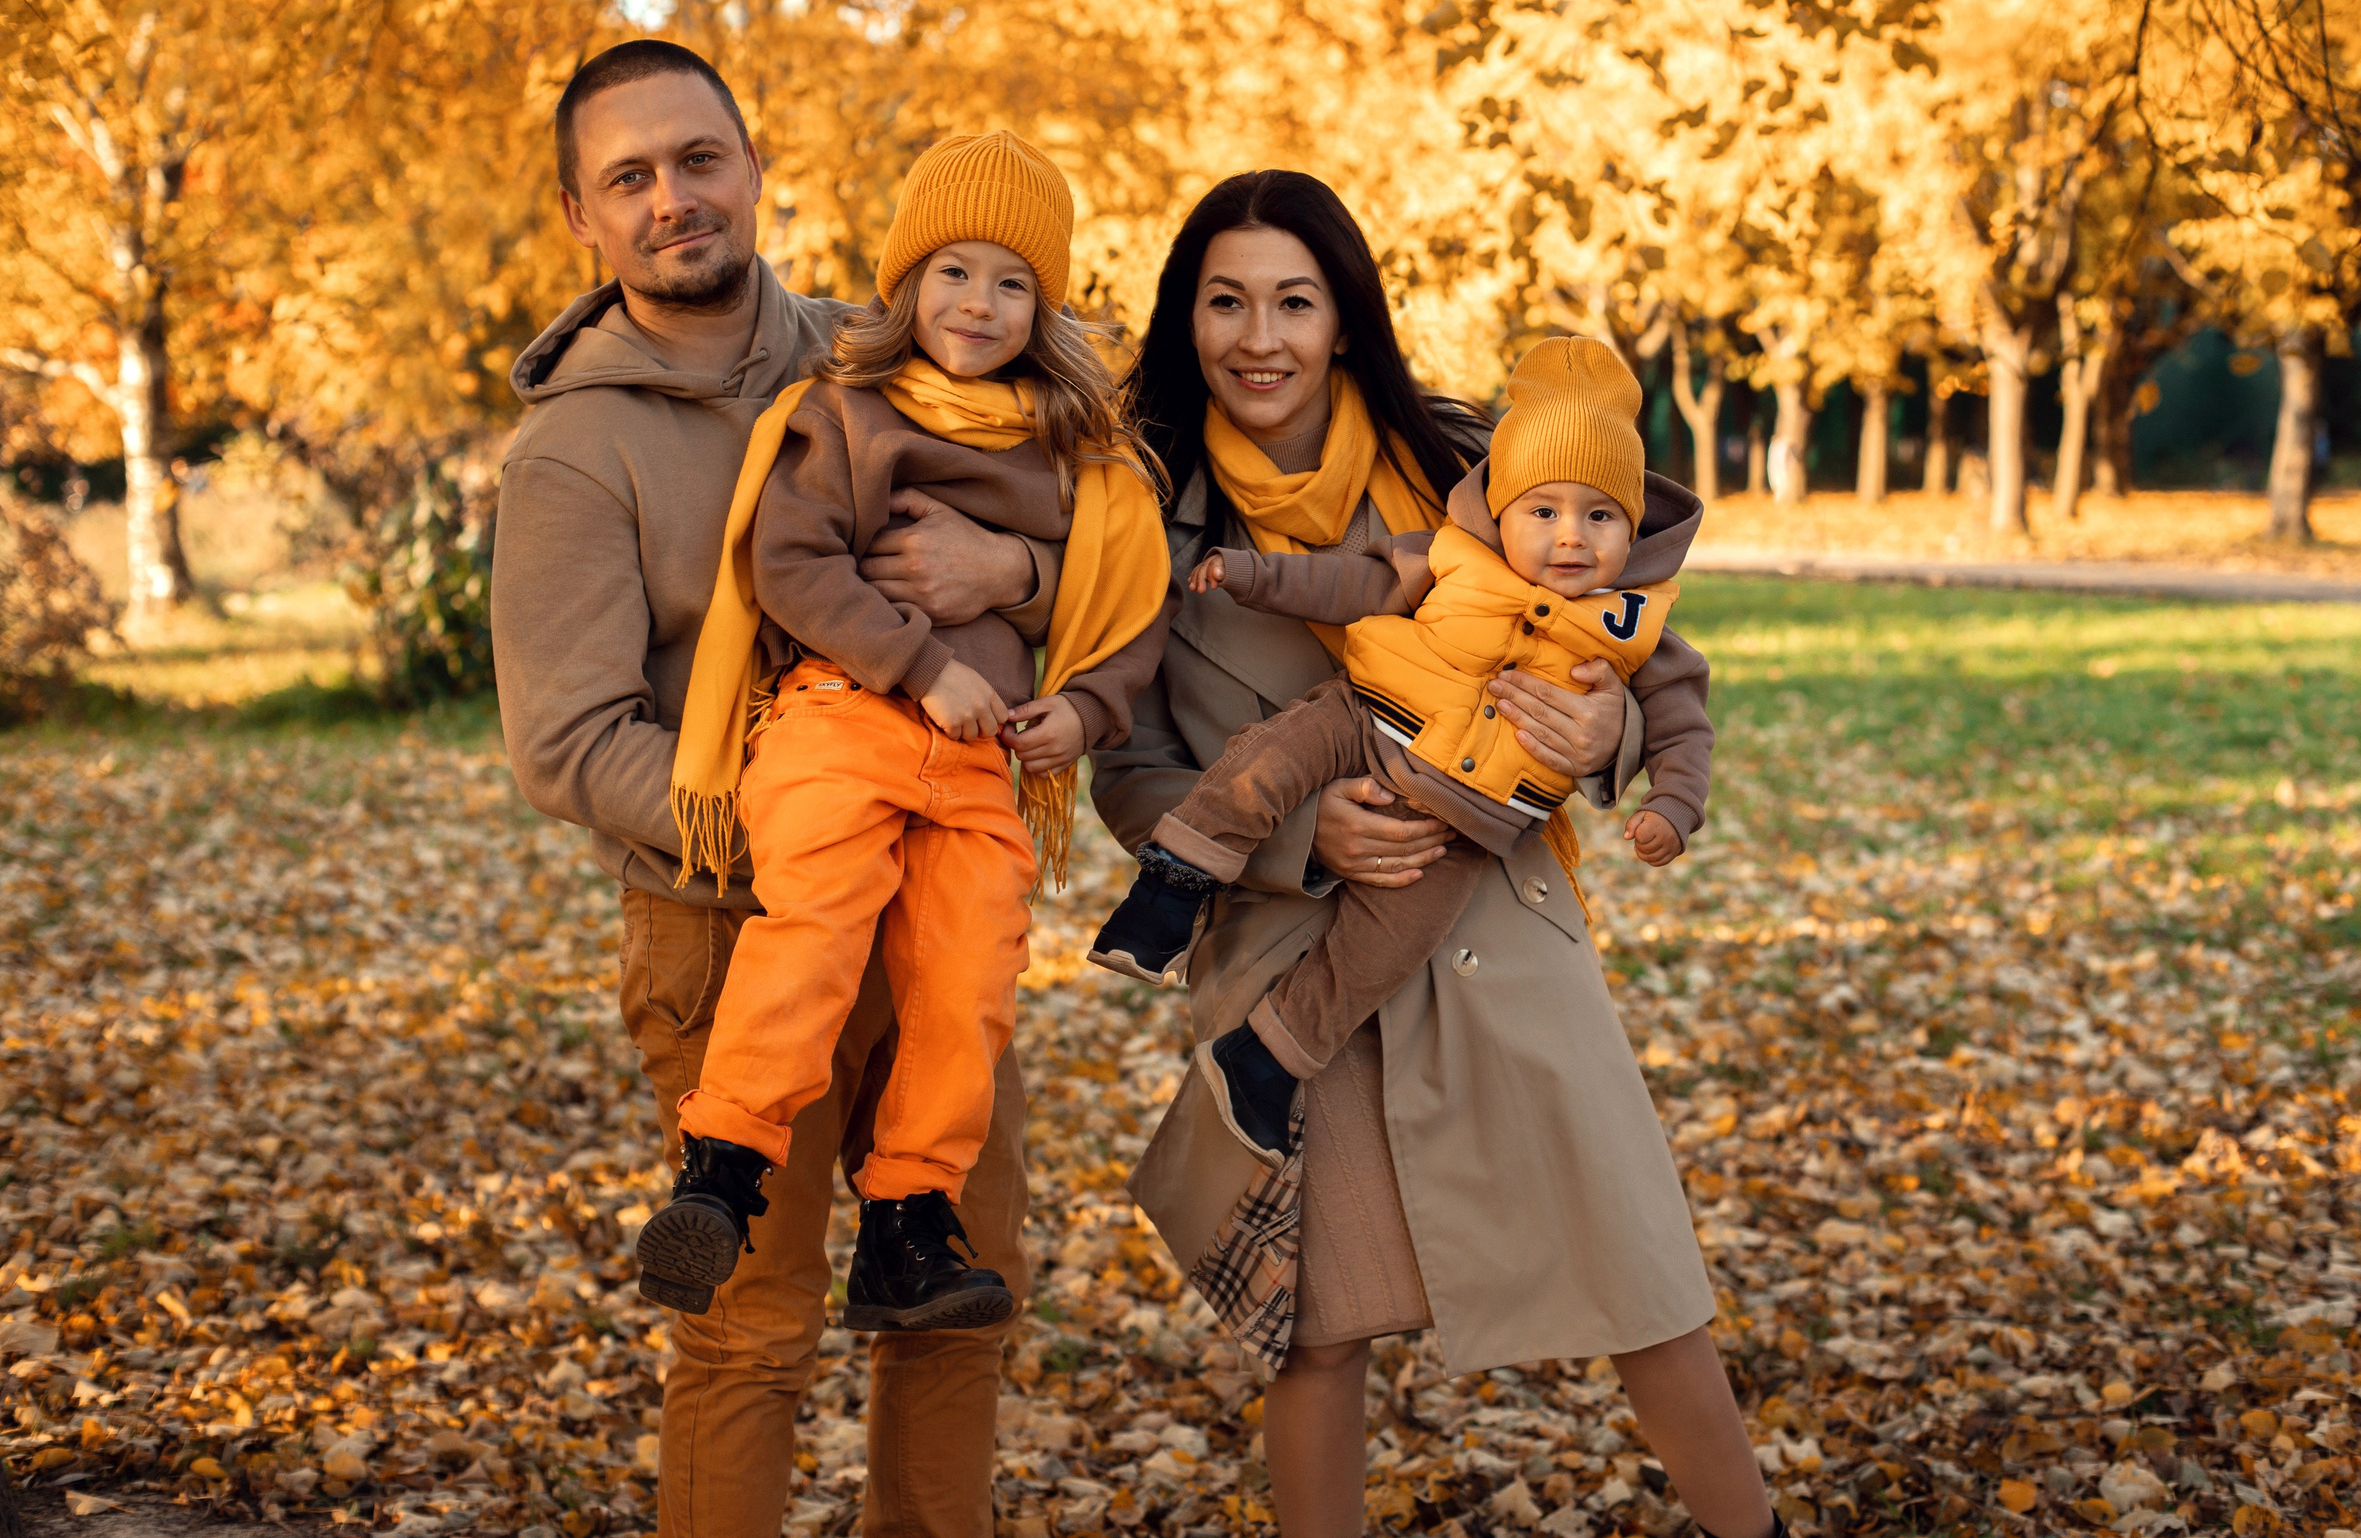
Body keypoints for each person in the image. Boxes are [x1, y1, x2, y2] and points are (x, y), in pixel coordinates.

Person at [1088, 170, 1780, 1538]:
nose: (1260, 336)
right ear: (1188, 321)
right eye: (1225, 302)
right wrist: (1296, 834)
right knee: (1323, 1329)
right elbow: (1128, 768)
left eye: (1295, 300)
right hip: (1292, 959)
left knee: (1646, 1289)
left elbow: (1641, 642)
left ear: (1345, 319)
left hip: (1492, 922)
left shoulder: (1467, 459)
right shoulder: (1140, 515)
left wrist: (1598, 731)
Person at [493, 41, 1056, 1538]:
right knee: (751, 1327)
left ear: (752, 167)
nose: (673, 199)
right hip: (732, 916)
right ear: (581, 217)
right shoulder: (575, 449)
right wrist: (811, 827)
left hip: (936, 905)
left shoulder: (894, 356)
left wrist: (1020, 573)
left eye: (698, 159)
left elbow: (1069, 517)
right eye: (630, 178)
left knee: (953, 1299)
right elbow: (566, 737)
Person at [632, 132, 1170, 1333]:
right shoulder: (846, 413)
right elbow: (789, 560)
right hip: (845, 717)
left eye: (1011, 282)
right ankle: (722, 1169)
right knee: (813, 926)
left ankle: (908, 1221)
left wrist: (1079, 710)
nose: (978, 304)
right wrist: (923, 666)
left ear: (1046, 305)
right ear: (905, 284)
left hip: (985, 762)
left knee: (967, 978)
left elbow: (1126, 610)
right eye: (952, 272)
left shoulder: (1078, 456)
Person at [1089, 335, 1712, 1166]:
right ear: (1503, 509)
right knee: (1264, 764)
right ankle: (1171, 884)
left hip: (1467, 821)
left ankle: (1268, 1060)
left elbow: (1680, 721)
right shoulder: (1454, 553)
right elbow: (1348, 582)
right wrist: (1251, 575)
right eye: (1543, 510)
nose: (1571, 537)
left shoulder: (1636, 623)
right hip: (1366, 715)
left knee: (1379, 951)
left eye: (1600, 515)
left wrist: (1669, 800)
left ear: (1631, 527)